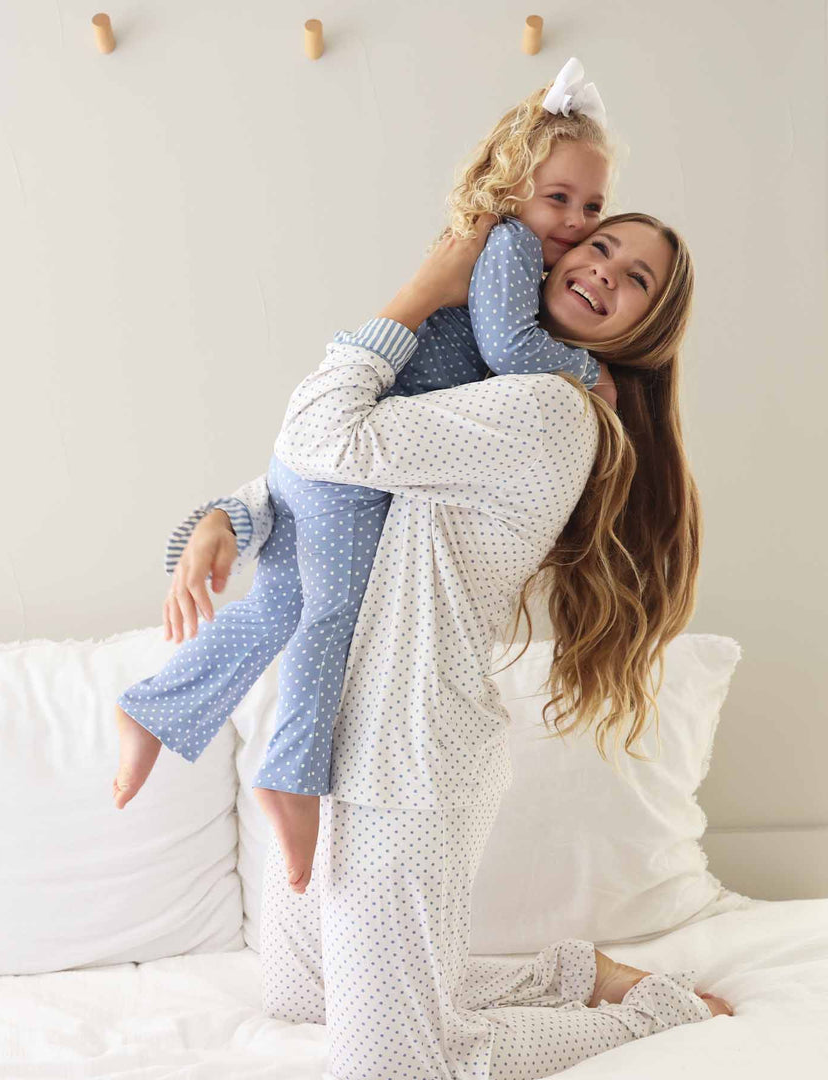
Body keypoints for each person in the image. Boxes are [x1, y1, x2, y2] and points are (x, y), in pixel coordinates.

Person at [139, 215, 734, 1077]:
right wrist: (228, 518)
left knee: (399, 1064)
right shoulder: (488, 380)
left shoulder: (542, 409)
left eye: (637, 279)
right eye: (601, 246)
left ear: (643, 331)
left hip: (409, 754)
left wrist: (422, 290)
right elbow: (333, 489)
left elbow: (325, 438)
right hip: (338, 736)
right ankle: (574, 974)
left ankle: (652, 1013)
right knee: (304, 995)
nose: (607, 272)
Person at [112, 58, 621, 896]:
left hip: (330, 457)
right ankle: (293, 771)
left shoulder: (514, 251)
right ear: (513, 186)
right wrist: (585, 369)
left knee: (279, 606)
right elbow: (505, 350)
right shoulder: (508, 245)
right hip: (349, 462)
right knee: (332, 613)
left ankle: (155, 707)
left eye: (591, 206)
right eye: (557, 196)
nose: (572, 220)